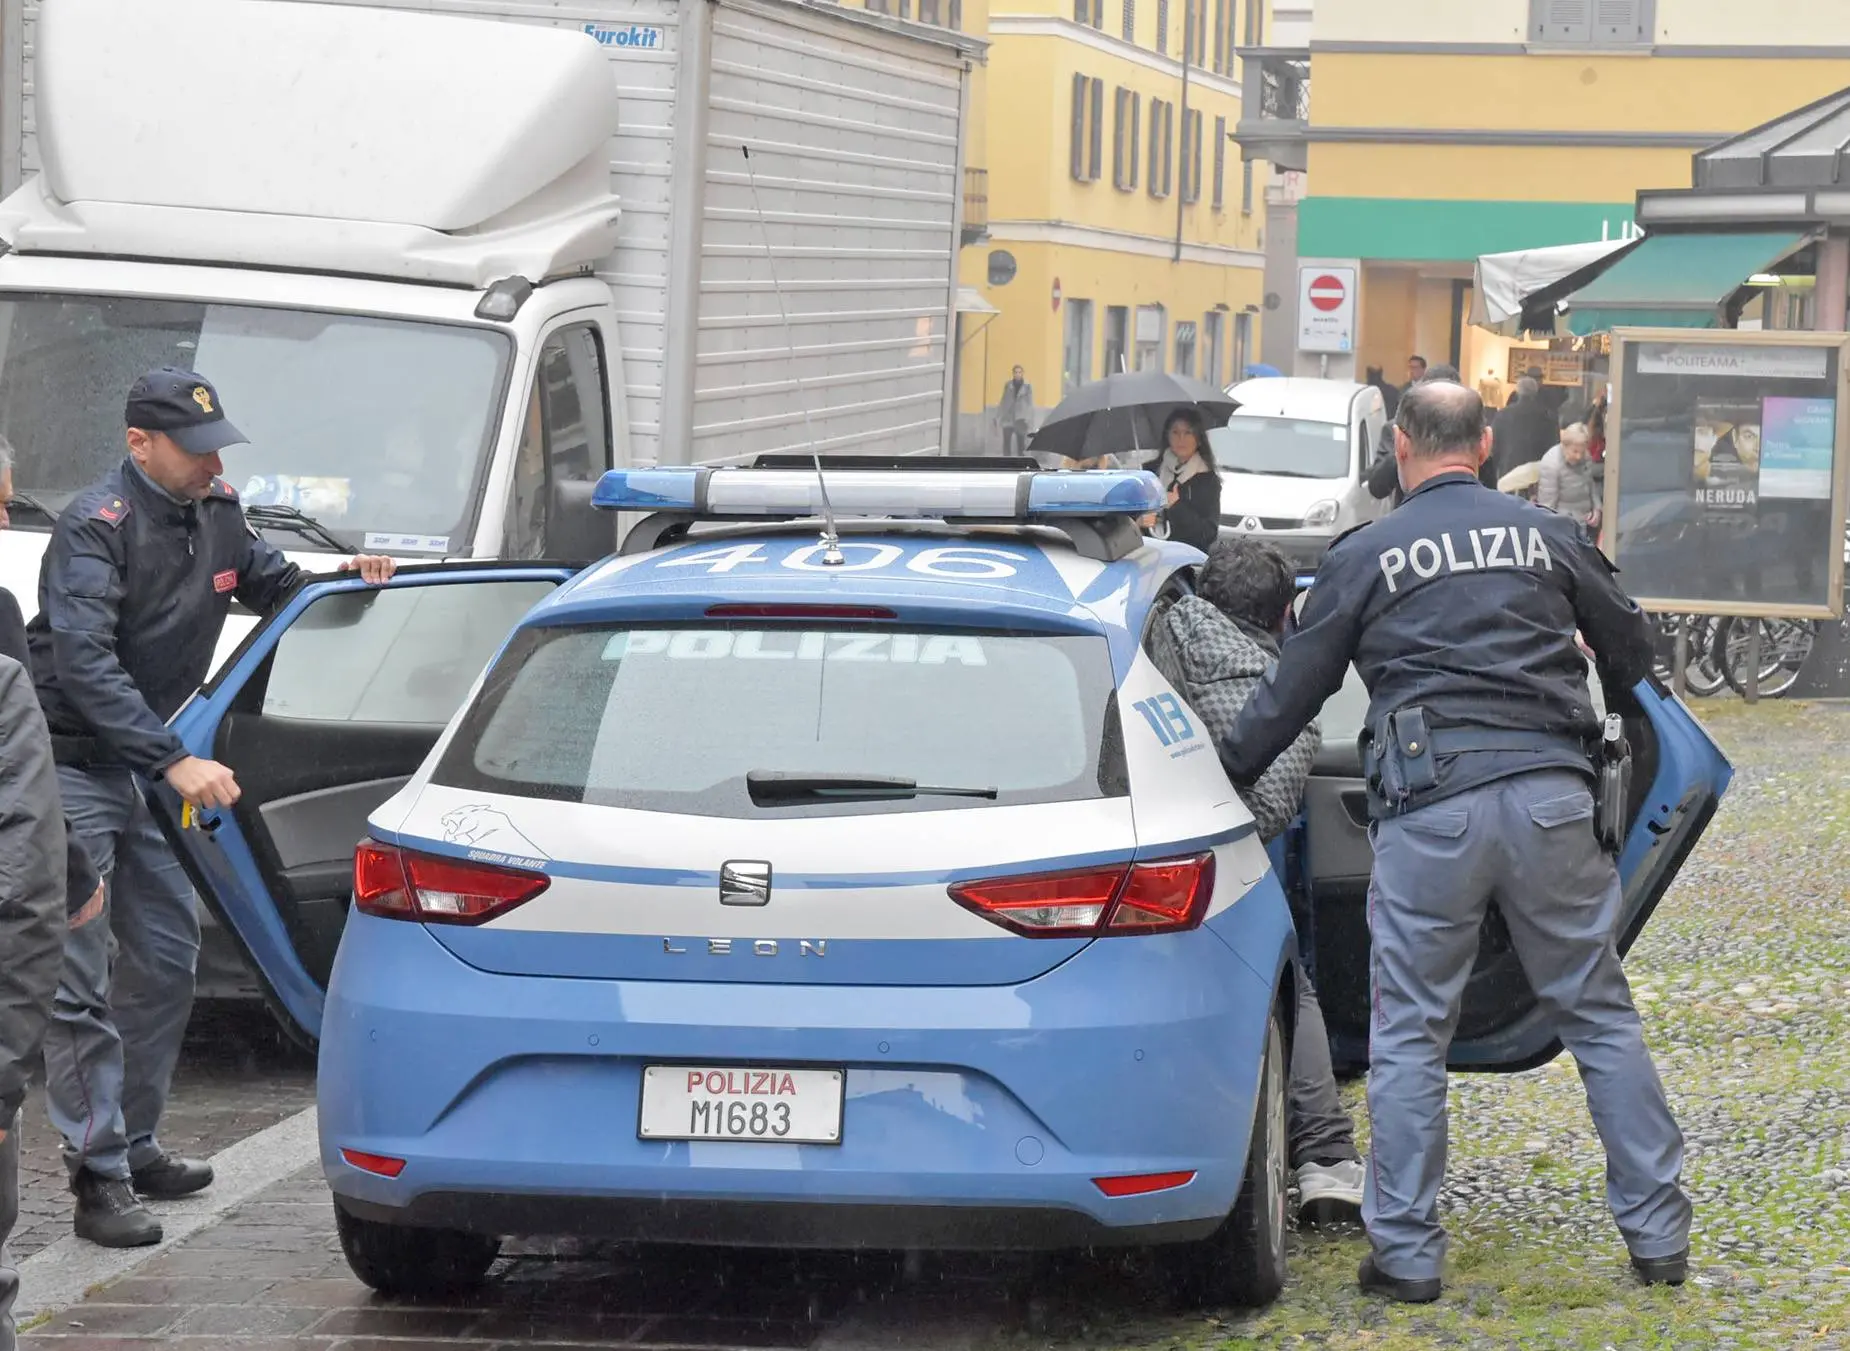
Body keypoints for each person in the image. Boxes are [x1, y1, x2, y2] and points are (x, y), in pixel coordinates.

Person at [1216, 381, 1688, 1304]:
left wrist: (1224, 767)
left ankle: (1407, 1255)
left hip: (1432, 812)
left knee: (1409, 1037)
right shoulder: (1547, 536)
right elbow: (1634, 653)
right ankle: (1660, 1236)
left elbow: (1292, 692)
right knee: (1598, 1014)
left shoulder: (1367, 553)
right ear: (1480, 443)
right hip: (1555, 803)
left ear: (1400, 446)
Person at [27, 367, 398, 1248]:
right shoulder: (93, 530)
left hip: (149, 763)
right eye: (192, 449)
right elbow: (84, 666)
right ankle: (97, 1173)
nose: (208, 462)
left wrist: (345, 578)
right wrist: (175, 758)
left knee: (165, 955)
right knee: (78, 979)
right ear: (137, 445)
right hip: (76, 764)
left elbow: (271, 586)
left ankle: (138, 1141)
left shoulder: (216, 511)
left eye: (215, 446)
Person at [1146, 537, 1364, 1222]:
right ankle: (1325, 1157)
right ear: (1279, 619)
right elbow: (1267, 809)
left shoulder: (1163, 632)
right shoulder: (1287, 694)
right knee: (1287, 984)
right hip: (1236, 868)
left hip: (1152, 863)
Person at [1143, 408, 1222, 552]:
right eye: (1175, 432)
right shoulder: (1149, 472)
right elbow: (1129, 517)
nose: (1181, 439)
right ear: (1167, 436)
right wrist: (1139, 522)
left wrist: (1177, 507)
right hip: (1150, 555)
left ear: (1198, 439)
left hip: (1187, 560)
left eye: (1188, 432)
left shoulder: (1208, 480)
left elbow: (1208, 533)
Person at [1491, 376, 1559, 482]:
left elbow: (1494, 445)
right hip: (1536, 469)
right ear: (1535, 392)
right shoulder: (1547, 417)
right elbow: (1554, 446)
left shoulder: (1503, 414)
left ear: (1517, 392)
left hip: (1509, 467)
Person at [1537, 422, 1600, 529]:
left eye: (1582, 451)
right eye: (1575, 451)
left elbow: (1590, 484)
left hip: (1586, 520)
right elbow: (1547, 506)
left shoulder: (1586, 456)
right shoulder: (1551, 464)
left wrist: (1597, 508)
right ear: (1565, 446)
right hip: (1564, 524)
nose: (1579, 456)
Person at [999, 366, 1034, 457]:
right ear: (1013, 374)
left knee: (1021, 443)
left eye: (1019, 372)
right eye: (1016, 372)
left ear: (1022, 373)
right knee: (1006, 442)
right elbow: (1003, 400)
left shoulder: (1027, 386)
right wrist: (999, 416)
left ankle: (1020, 463)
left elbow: (1030, 403)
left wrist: (1028, 418)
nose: (1017, 374)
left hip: (1021, 418)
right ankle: (1006, 462)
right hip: (1008, 417)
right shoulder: (1008, 385)